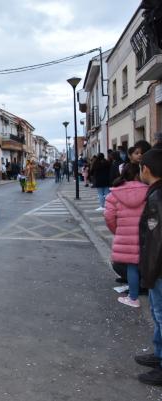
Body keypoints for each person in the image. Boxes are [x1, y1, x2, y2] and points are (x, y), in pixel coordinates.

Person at [134, 149, 162, 385]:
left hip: (158, 269)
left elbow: (156, 240)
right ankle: (159, 354)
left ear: (147, 169)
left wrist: (148, 272)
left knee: (161, 315)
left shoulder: (157, 198)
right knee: (157, 313)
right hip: (156, 268)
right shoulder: (155, 194)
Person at [104, 163, 148, 308]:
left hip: (126, 236)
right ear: (139, 174)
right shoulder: (149, 191)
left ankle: (133, 298)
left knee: (132, 267)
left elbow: (109, 217)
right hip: (147, 236)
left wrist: (118, 231)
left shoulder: (114, 194)